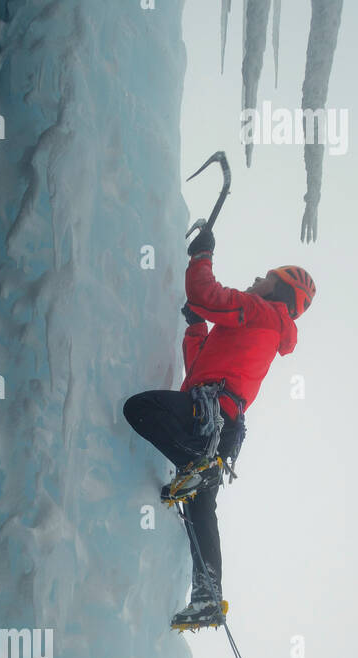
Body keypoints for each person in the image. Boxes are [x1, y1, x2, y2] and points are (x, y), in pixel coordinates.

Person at [123, 227, 315, 629]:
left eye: (266, 278)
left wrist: (202, 256)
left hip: (208, 416)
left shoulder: (262, 312)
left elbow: (207, 296)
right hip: (221, 426)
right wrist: (196, 326)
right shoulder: (257, 325)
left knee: (140, 408)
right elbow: (198, 369)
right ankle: (208, 596)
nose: (256, 280)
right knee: (199, 509)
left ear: (279, 292)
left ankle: (197, 466)